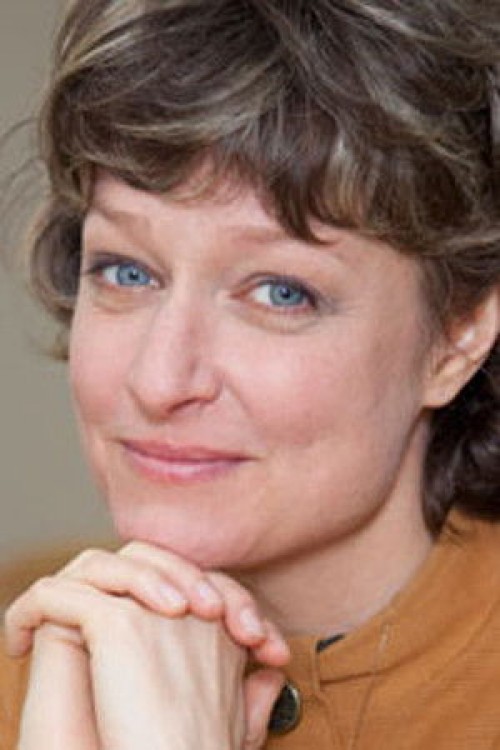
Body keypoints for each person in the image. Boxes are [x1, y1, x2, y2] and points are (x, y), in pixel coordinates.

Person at [1, 0, 500, 747]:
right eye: (127, 272)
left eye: (280, 293)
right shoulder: (25, 663)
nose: (159, 380)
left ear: (457, 338)